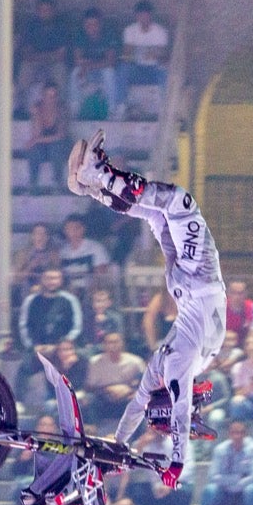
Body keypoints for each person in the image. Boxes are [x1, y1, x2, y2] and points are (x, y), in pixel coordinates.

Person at [69, 132, 224, 485]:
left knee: (164, 211)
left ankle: (96, 185)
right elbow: (182, 413)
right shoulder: (178, 367)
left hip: (188, 282)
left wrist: (117, 444)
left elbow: (136, 406)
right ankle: (97, 180)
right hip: (198, 276)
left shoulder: (161, 371)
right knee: (172, 205)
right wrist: (177, 464)